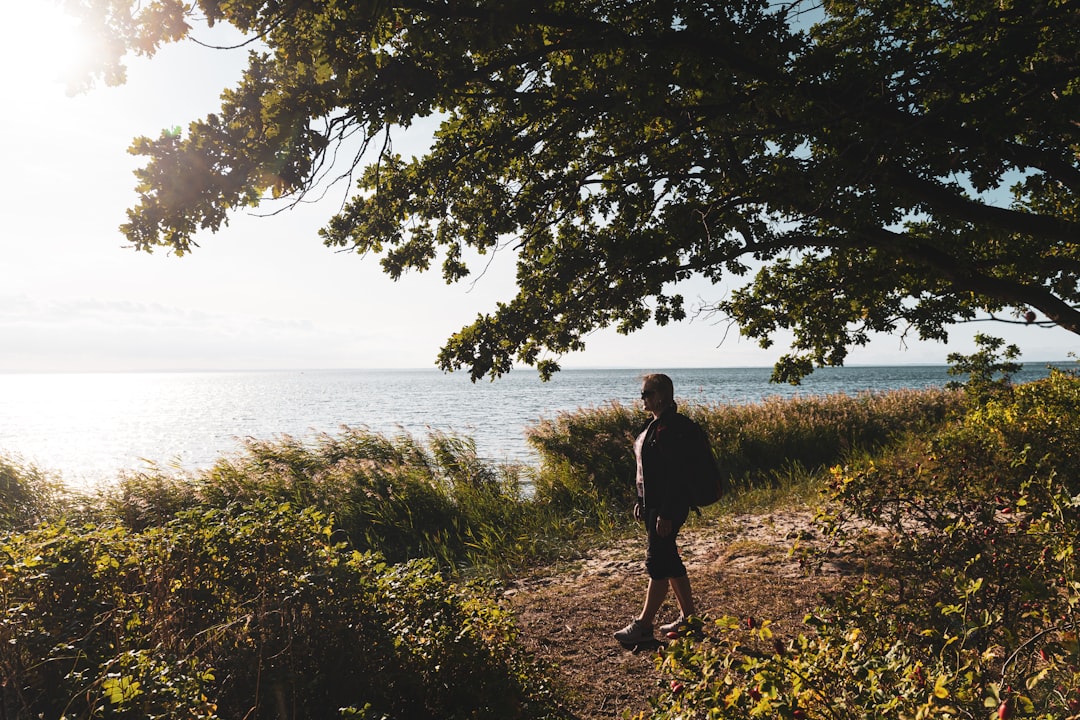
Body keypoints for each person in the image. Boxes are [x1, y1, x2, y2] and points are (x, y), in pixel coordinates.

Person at [614, 373, 699, 644]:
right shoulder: (656, 425)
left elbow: (675, 475)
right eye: (642, 393)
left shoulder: (671, 428)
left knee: (658, 563)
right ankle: (691, 621)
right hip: (656, 506)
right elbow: (648, 472)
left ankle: (643, 626)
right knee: (670, 560)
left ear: (661, 395)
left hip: (668, 508)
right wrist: (642, 501)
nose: (642, 398)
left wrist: (666, 512)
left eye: (646, 393)